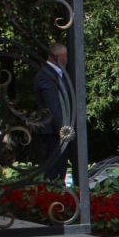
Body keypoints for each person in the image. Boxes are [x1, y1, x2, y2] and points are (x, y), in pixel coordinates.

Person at [33, 43, 74, 183]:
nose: (67, 60)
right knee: (53, 170)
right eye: (65, 57)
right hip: (53, 130)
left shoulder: (57, 74)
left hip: (58, 129)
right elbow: (53, 105)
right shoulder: (46, 75)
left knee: (61, 167)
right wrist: (63, 129)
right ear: (57, 57)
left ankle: (60, 193)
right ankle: (52, 195)